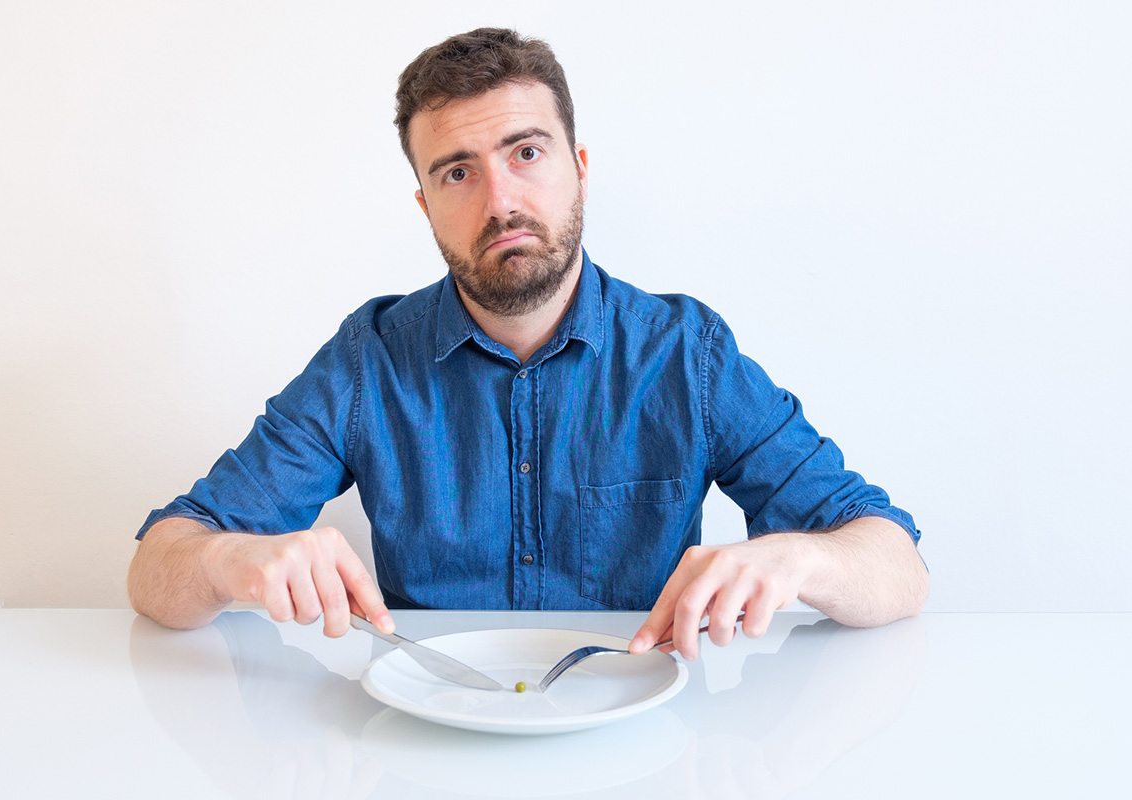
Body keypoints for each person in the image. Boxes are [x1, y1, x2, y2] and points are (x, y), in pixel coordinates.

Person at [127, 28, 928, 662]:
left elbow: (897, 565)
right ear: (425, 206)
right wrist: (227, 562)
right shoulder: (369, 361)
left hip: (640, 736)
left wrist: (802, 560)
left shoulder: (687, 354)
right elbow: (157, 565)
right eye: (457, 173)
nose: (502, 199)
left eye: (527, 152)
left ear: (578, 169)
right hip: (428, 738)